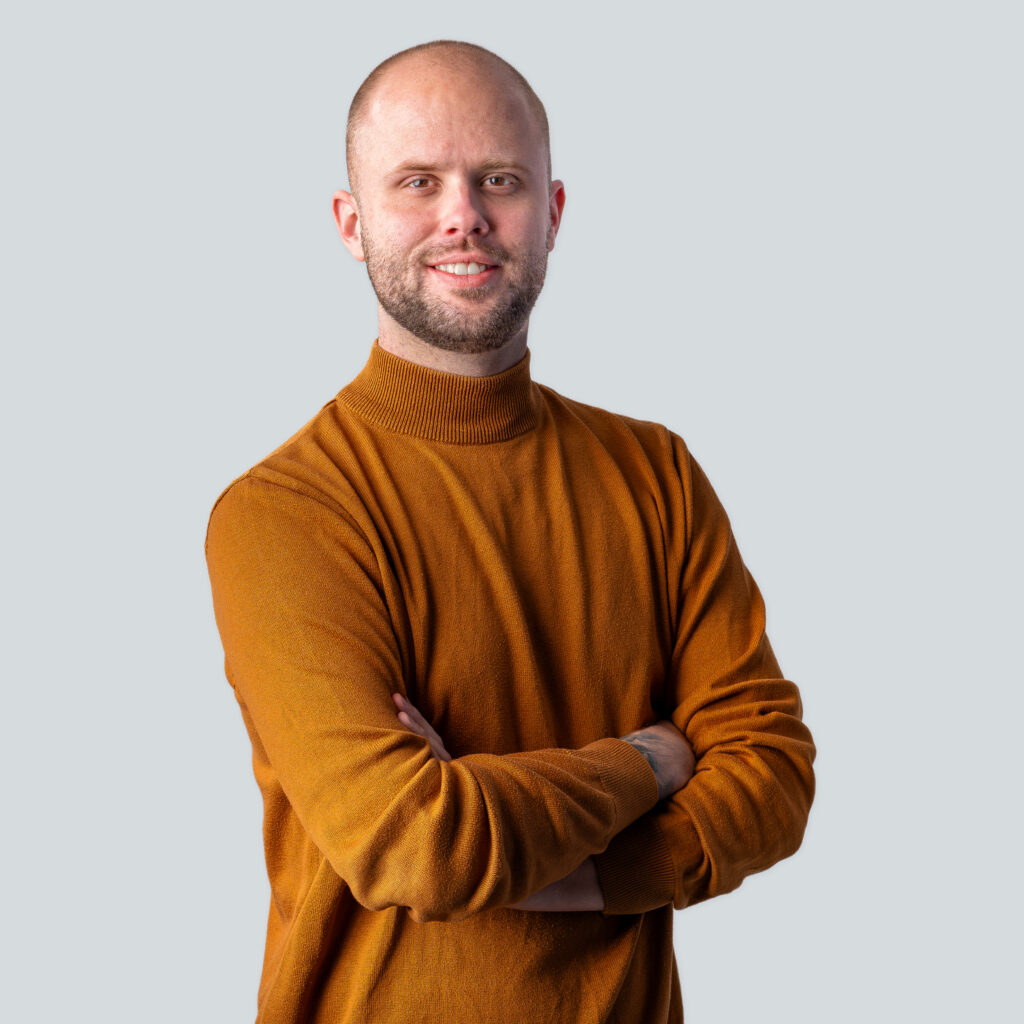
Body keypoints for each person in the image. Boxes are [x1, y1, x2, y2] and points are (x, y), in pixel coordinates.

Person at [205, 39, 815, 1024]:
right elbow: (414, 844)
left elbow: (773, 776)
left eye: (499, 179)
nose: (464, 216)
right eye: (418, 181)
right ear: (352, 224)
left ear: (553, 212)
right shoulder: (286, 513)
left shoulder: (655, 473)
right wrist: (655, 760)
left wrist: (535, 856)